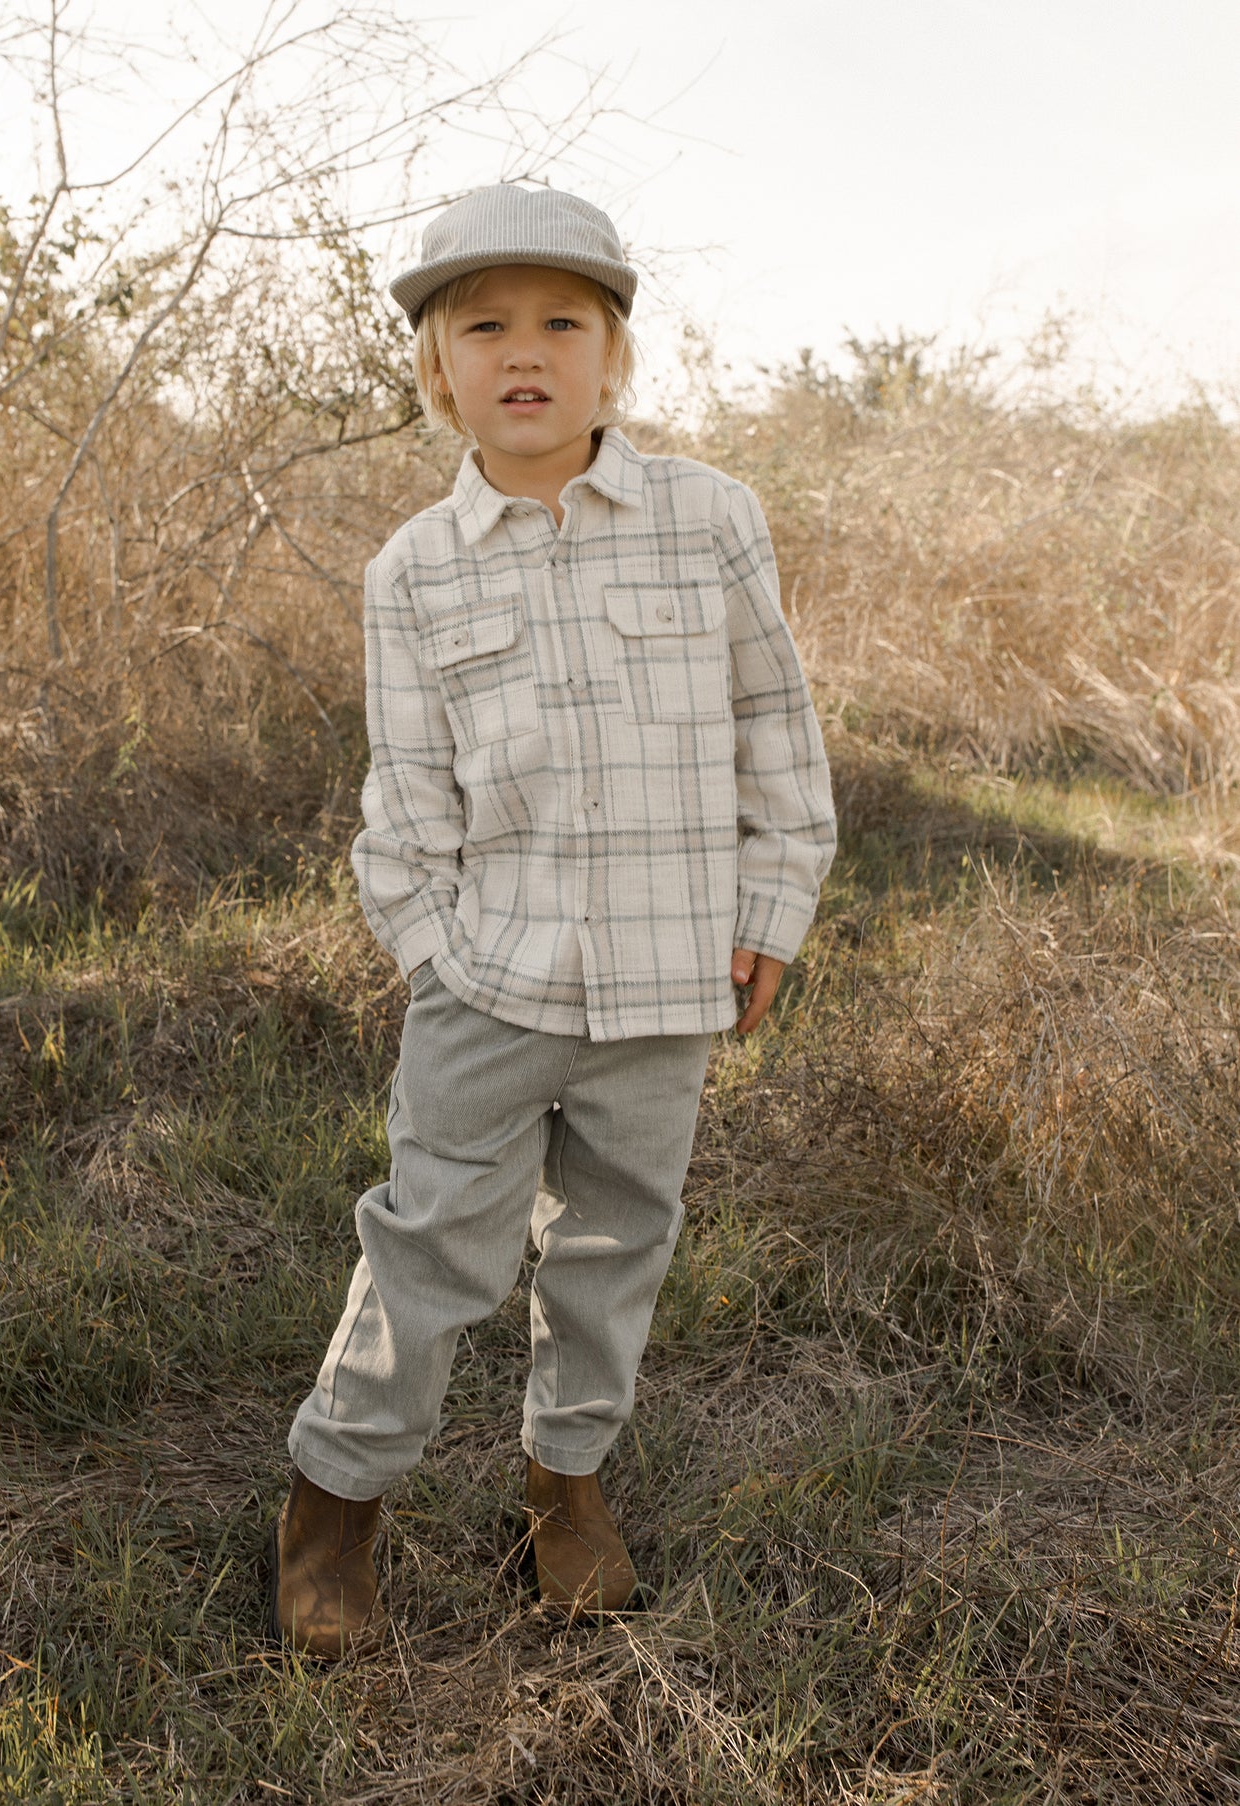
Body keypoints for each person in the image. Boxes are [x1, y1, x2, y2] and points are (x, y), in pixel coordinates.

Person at [270, 184, 836, 1658]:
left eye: (560, 322)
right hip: (491, 978)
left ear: (612, 355)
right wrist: (437, 955)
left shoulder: (708, 520)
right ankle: (334, 1499)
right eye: (484, 326)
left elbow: (775, 726)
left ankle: (563, 1480)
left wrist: (769, 902)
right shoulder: (415, 569)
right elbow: (404, 798)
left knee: (613, 1241)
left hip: (667, 975)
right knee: (431, 1241)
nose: (524, 352)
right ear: (438, 369)